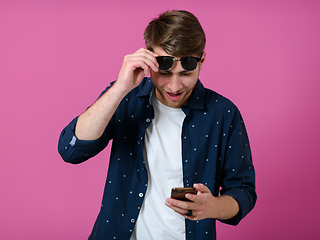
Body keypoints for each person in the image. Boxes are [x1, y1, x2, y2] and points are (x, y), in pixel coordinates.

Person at [58, 10, 256, 240]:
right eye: (164, 72)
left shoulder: (223, 114)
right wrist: (121, 88)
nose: (174, 85)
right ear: (149, 60)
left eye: (185, 73)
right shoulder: (125, 97)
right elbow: (70, 149)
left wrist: (214, 207)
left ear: (201, 61)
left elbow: (243, 190)